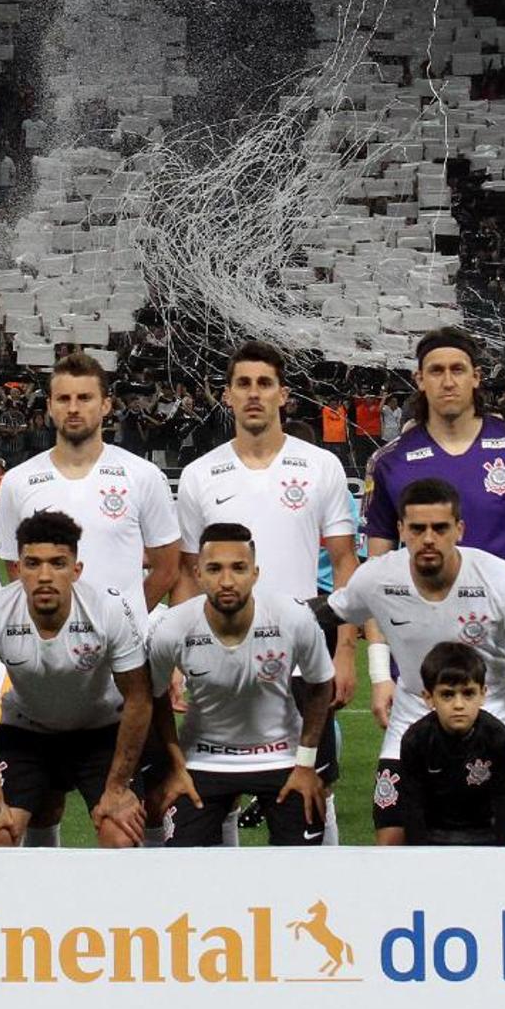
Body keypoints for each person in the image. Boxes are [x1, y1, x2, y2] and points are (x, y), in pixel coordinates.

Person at [174, 341, 360, 842]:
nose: (253, 394)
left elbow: (345, 563)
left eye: (264, 384)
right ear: (227, 397)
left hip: (300, 659)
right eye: (243, 384)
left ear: (284, 395)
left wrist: (344, 649)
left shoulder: (319, 467)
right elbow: (190, 575)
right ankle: (230, 914)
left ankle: (321, 896)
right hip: (217, 659)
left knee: (312, 792)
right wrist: (176, 657)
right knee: (214, 790)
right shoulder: (198, 475)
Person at [362, 328, 505, 704]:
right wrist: (380, 673)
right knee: (423, 763)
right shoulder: (388, 463)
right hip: (418, 657)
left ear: (476, 376)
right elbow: (375, 572)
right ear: (419, 379)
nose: (448, 381)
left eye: (458, 369)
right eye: (436, 371)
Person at [331, 477, 505, 846]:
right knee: (391, 841)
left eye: (440, 528)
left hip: (498, 727)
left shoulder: (500, 580)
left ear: (459, 530)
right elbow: (331, 613)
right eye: (417, 529)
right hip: (411, 725)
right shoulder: (377, 576)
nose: (428, 538)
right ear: (401, 529)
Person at [0, 511, 152, 848]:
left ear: (76, 571)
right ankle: (29, 900)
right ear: (16, 569)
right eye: (33, 563)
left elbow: (139, 697)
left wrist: (118, 788)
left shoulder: (108, 609)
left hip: (100, 731)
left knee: (120, 835)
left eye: (58, 563)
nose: (44, 576)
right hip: (26, 731)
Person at [147, 523, 336, 847]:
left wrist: (306, 763)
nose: (226, 581)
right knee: (181, 867)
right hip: (203, 758)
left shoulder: (293, 616)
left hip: (282, 757)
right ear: (198, 574)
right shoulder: (172, 628)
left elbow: (320, 685)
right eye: (214, 569)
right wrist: (177, 765)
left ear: (255, 573)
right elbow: (154, 695)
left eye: (238, 568)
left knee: (304, 869)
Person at [0, 352, 181, 617]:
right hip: (47, 650)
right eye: (63, 398)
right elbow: (14, 566)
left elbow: (168, 568)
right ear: (49, 406)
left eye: (84, 398)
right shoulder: (17, 481)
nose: (73, 408)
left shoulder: (143, 476)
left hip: (121, 655)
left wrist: (127, 622)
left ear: (105, 405)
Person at [389, 643, 505, 846]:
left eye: (468, 693)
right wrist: (419, 857)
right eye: (447, 694)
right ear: (428, 697)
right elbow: (413, 808)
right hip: (435, 836)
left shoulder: (499, 738)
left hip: (484, 835)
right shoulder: (415, 740)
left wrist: (501, 856)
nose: (459, 704)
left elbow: (504, 805)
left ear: (483, 694)